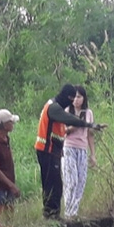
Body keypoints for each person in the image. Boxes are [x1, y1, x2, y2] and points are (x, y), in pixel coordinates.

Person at [35, 84, 101, 219]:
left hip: (52, 151)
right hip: (47, 149)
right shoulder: (53, 108)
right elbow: (69, 119)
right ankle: (51, 215)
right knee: (53, 185)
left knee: (54, 184)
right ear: (67, 97)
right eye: (71, 99)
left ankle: (52, 215)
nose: (72, 102)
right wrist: (89, 125)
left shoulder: (54, 105)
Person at [62, 85, 97, 218]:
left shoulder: (88, 113)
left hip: (82, 149)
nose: (76, 100)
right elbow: (63, 130)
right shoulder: (67, 111)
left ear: (83, 98)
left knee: (81, 181)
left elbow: (90, 134)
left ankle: (74, 211)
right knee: (72, 180)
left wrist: (93, 154)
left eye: (79, 97)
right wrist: (75, 125)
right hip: (69, 147)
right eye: (74, 97)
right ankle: (68, 212)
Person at [0, 109, 22, 209]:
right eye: (11, 122)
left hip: (8, 184)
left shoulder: (5, 138)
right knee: (0, 213)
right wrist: (11, 185)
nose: (13, 124)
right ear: (4, 125)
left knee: (9, 213)